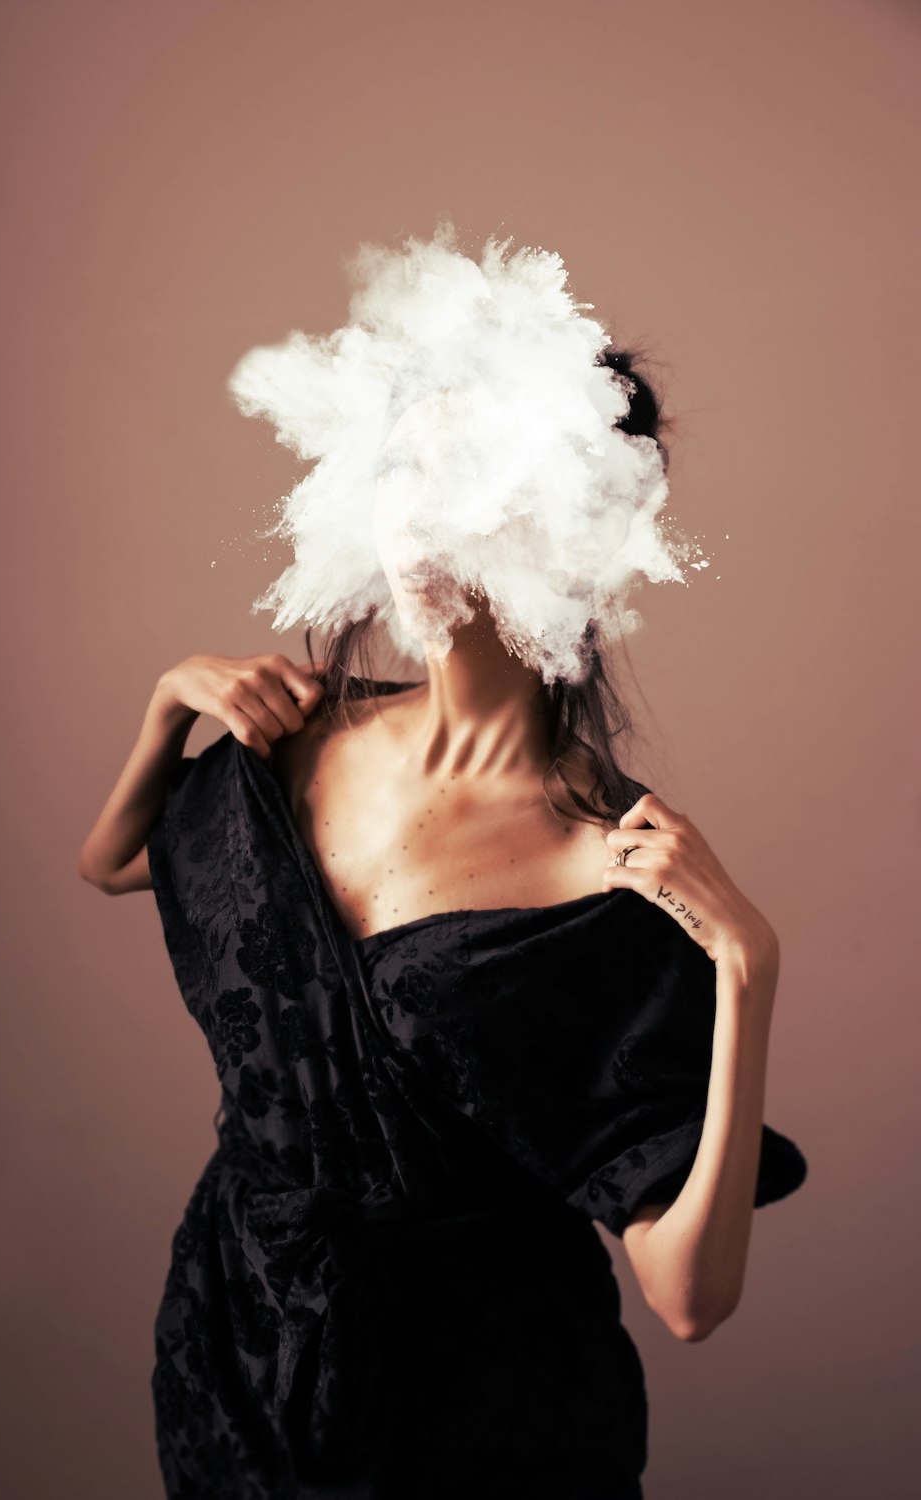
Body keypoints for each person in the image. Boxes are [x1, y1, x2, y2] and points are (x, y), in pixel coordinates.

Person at [78, 340, 808, 1499]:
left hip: (482, 1414)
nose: (416, 527)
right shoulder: (301, 737)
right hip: (241, 1346)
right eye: (403, 474)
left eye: (471, 487)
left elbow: (687, 1296)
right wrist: (172, 703)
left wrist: (748, 970)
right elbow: (114, 860)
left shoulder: (609, 866)